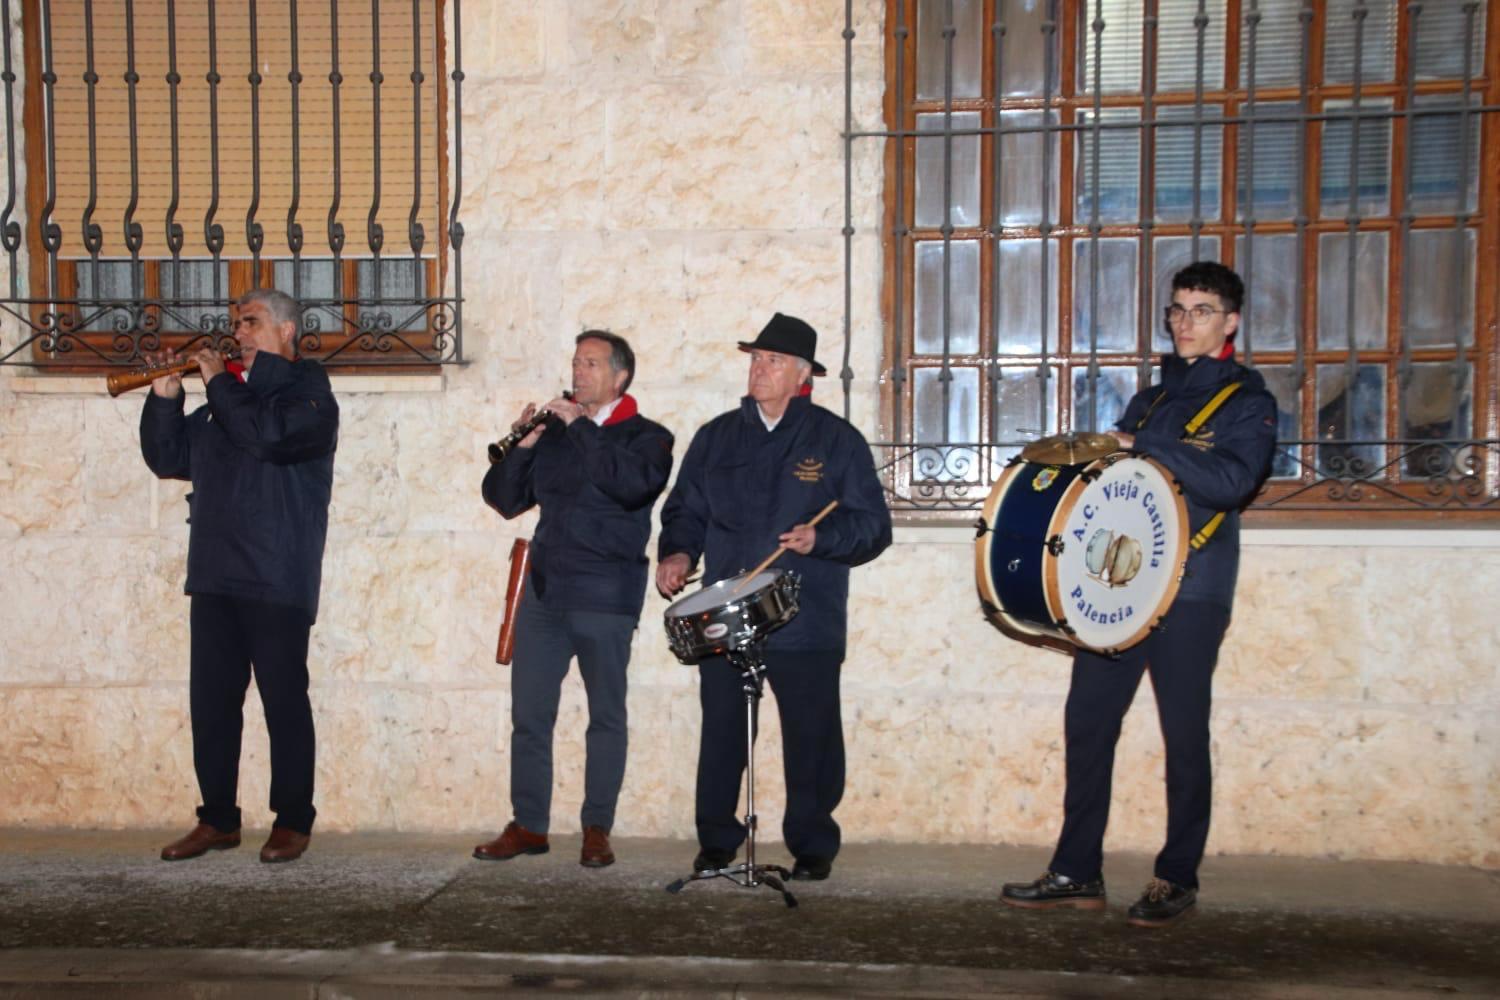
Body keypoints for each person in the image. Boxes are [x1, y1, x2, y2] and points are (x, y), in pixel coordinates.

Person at [1001, 261, 1277, 926]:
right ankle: (1075, 870)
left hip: (1194, 589)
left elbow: (1233, 481)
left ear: (1230, 322)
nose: (1185, 322)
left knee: (1183, 735)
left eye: (1202, 310)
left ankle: (1176, 876)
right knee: (1088, 725)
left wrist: (1142, 443)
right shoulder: (1149, 399)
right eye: (1178, 309)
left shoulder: (1249, 402)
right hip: (1122, 589)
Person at [656, 313, 892, 882]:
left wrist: (822, 538)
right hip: (726, 611)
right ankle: (717, 840)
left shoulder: (837, 441)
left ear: (803, 375)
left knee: (810, 736)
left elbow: (873, 527)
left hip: (805, 617)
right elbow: (685, 509)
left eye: (774, 361)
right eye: (756, 359)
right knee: (723, 732)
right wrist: (679, 554)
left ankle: (812, 845)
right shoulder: (716, 437)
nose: (760, 370)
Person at [142, 288, 338, 865]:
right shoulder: (223, 402)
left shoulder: (310, 396)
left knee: (283, 702)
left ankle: (293, 820)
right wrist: (165, 397)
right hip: (216, 573)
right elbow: (167, 457)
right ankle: (219, 819)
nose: (238, 333)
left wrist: (219, 383)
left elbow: (268, 437)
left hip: (276, 576)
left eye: (251, 322)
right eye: (235, 323)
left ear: (286, 331)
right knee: (213, 704)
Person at [476, 331, 674, 868]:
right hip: (545, 595)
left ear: (620, 376)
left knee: (605, 718)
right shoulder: (557, 435)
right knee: (530, 716)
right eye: (575, 362)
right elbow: (503, 499)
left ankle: (596, 828)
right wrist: (526, 446)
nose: (578, 372)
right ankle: (529, 825)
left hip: (606, 596)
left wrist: (579, 427)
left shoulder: (648, 438)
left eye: (591, 364)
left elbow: (628, 485)